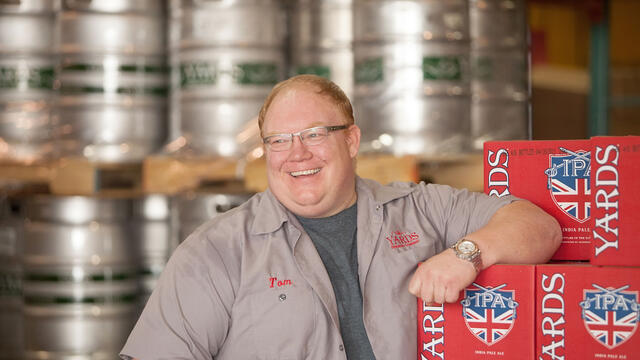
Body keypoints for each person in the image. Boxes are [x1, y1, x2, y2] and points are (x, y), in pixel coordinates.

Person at [120, 75, 561, 360]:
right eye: (279, 140)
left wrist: (468, 253)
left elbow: (539, 227)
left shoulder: (421, 210)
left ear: (351, 140)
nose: (297, 154)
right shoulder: (216, 252)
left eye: (314, 134)